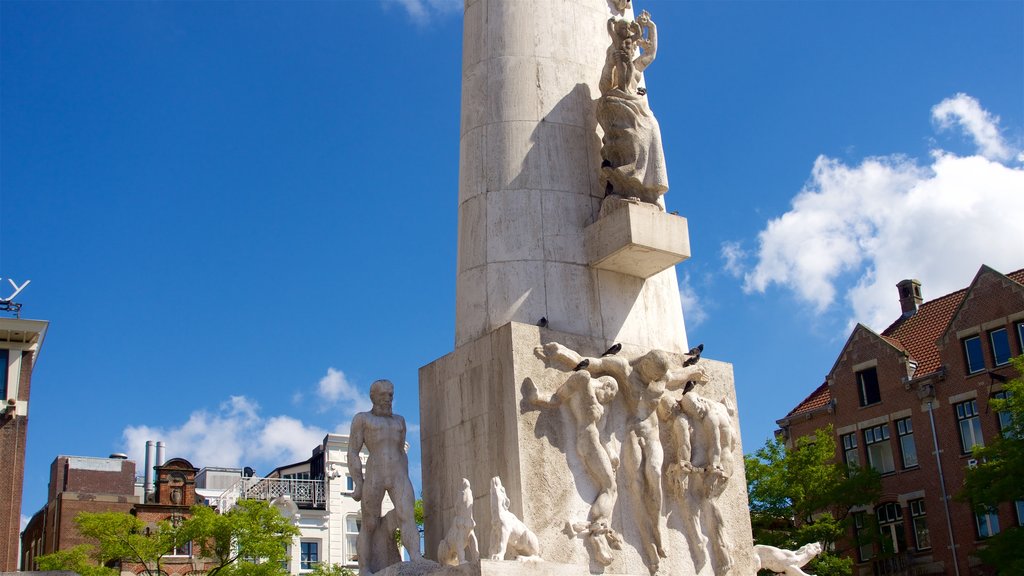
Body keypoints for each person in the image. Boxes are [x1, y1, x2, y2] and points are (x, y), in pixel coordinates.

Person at [536, 343, 706, 574]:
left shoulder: (662, 377)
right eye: (650, 372)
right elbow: (590, 362)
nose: (652, 378)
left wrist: (693, 372)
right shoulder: (624, 369)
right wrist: (562, 353)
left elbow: (676, 376)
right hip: (633, 433)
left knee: (654, 474)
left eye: (656, 376)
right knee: (636, 484)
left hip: (652, 434)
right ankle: (646, 541)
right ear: (644, 362)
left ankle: (658, 529)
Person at [525, 372, 621, 565]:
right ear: (607, 385)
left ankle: (599, 528)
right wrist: (537, 397)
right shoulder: (584, 382)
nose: (608, 400)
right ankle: (598, 533)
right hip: (588, 441)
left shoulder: (598, 401)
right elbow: (558, 397)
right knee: (610, 488)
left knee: (610, 487)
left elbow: (602, 433)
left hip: (592, 441)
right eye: (610, 394)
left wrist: (611, 453)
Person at [348, 379, 423, 574]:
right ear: (373, 397)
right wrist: (358, 482)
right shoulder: (362, 419)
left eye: (391, 394)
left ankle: (415, 556)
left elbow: (401, 450)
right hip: (375, 474)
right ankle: (365, 568)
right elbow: (353, 452)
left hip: (399, 473)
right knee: (369, 522)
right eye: (384, 395)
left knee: (407, 515)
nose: (388, 398)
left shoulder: (400, 421)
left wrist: (406, 477)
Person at [597, 10, 668, 206]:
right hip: (617, 104)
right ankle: (625, 185)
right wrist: (610, 65)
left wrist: (650, 27)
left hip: (638, 108)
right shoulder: (614, 55)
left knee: (652, 128)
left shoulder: (636, 68)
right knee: (635, 138)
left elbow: (651, 53)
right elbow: (604, 86)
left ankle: (649, 190)